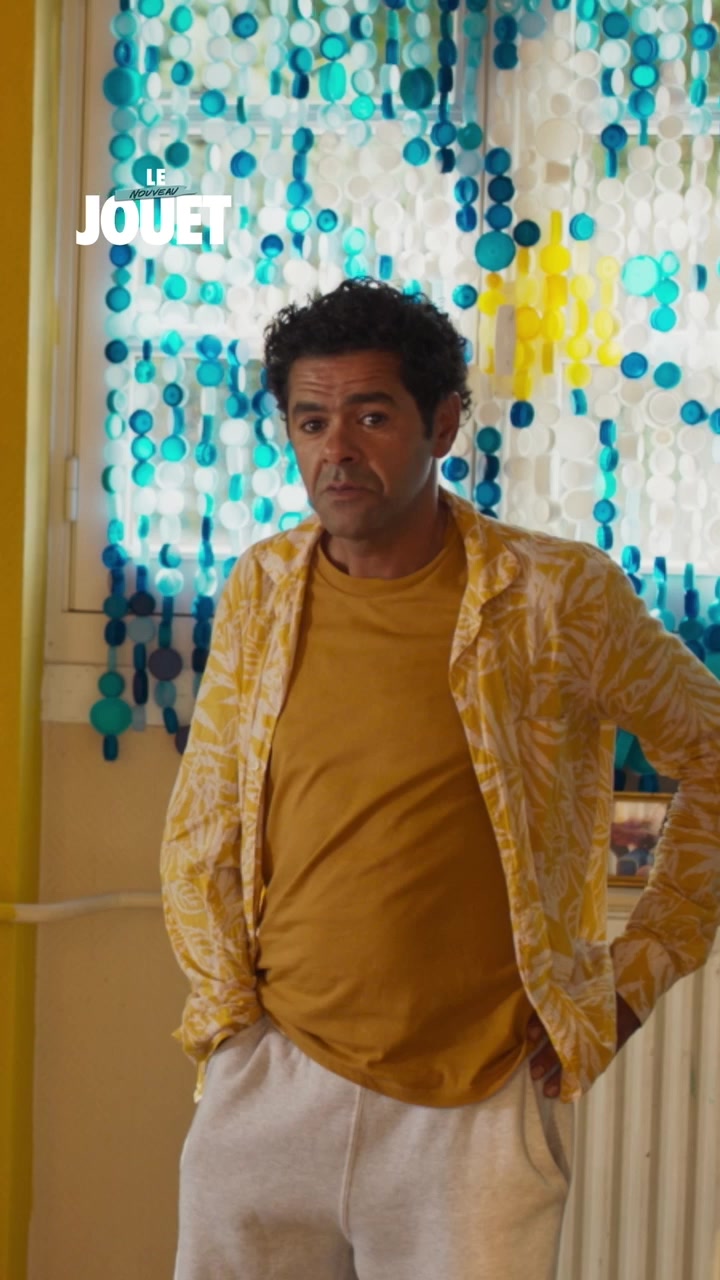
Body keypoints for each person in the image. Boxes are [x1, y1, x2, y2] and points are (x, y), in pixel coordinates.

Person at [160, 278, 720, 1280]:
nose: (337, 449)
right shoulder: (260, 587)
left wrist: (634, 980)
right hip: (272, 1072)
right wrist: (228, 1016)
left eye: (372, 416)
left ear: (444, 423)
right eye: (311, 421)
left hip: (476, 1105)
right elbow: (205, 816)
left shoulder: (555, 595)